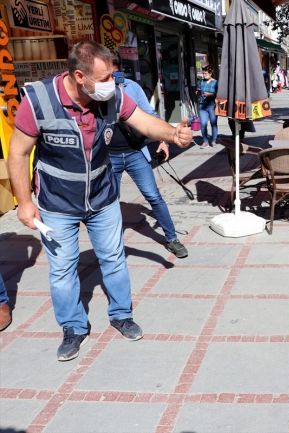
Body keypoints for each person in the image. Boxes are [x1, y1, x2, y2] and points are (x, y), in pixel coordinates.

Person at [7, 40, 193, 361]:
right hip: (56, 204)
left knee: (114, 258)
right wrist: (24, 202)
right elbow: (18, 153)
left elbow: (144, 122)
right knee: (63, 270)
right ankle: (73, 327)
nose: (112, 84)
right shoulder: (38, 100)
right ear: (80, 77)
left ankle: (121, 314)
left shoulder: (112, 97)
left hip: (103, 197)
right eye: (105, 78)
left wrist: (171, 134)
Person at [110, 53, 188, 259]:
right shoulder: (95, 92)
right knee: (110, 202)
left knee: (153, 195)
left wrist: (164, 139)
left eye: (116, 73)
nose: (113, 77)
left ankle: (172, 238)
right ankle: (113, 245)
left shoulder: (132, 88)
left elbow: (149, 117)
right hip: (109, 156)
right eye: (108, 74)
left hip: (135, 151)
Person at [196, 65, 218, 148]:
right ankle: (205, 141)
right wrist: (197, 93)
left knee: (213, 123)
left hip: (212, 105)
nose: (204, 75)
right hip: (202, 105)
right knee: (203, 124)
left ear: (210, 73)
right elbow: (199, 91)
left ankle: (213, 140)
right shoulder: (201, 82)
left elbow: (219, 94)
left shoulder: (216, 82)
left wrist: (211, 94)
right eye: (203, 73)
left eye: (205, 73)